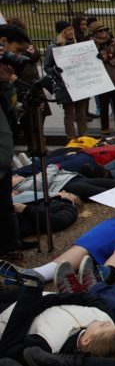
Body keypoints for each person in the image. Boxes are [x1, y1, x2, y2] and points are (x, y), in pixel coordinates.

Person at [0, 25, 33, 256]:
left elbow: (9, 110)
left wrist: (6, 84)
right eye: (17, 50)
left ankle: (12, 246)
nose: (18, 57)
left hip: (3, 151)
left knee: (4, 205)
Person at [44, 22, 88, 140]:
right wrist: (56, 71)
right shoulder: (53, 47)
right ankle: (71, 138)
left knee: (81, 112)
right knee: (69, 113)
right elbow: (47, 67)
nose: (70, 32)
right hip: (64, 85)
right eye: (67, 30)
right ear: (61, 32)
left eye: (71, 30)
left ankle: (83, 137)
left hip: (78, 83)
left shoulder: (77, 45)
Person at [90, 22, 115, 136]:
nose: (103, 33)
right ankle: (104, 126)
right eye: (100, 31)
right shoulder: (91, 44)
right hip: (102, 77)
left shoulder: (113, 41)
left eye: (105, 30)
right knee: (103, 103)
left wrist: (109, 59)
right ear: (95, 33)